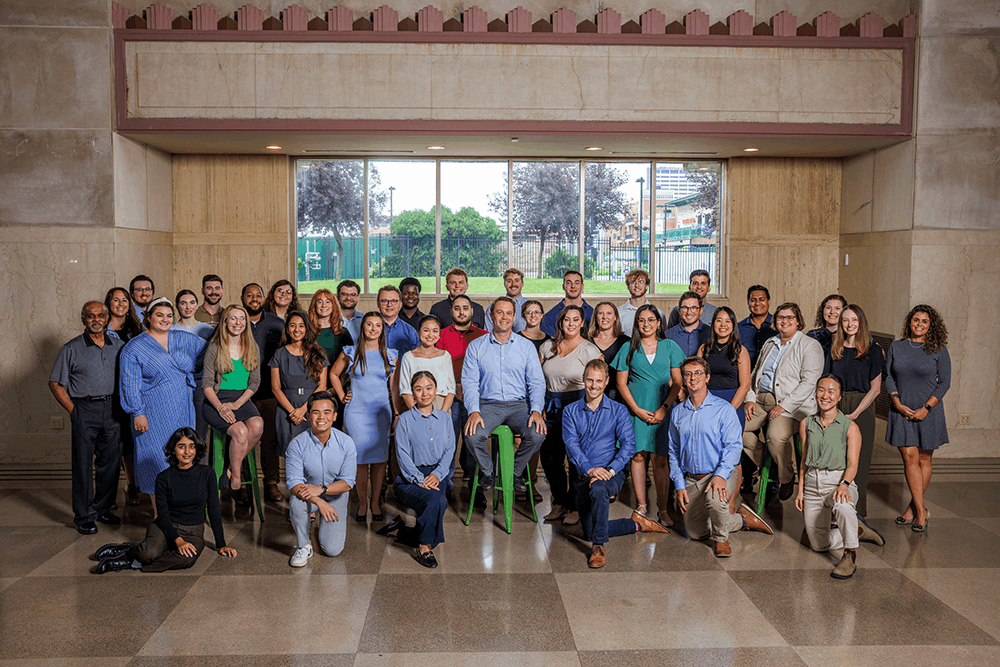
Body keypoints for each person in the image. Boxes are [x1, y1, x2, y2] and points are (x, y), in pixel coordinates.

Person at [563, 359, 668, 568]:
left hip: (612, 474)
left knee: (600, 490)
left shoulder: (618, 411)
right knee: (589, 530)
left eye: (599, 381)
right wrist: (591, 469)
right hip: (584, 475)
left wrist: (610, 471)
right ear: (583, 380)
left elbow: (629, 445)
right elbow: (571, 446)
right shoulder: (570, 412)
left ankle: (598, 547)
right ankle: (635, 524)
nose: (594, 385)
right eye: (590, 380)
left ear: (607, 381)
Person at [669, 356, 773, 558]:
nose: (693, 378)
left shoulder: (723, 409)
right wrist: (679, 484)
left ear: (707, 377)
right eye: (688, 374)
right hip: (692, 478)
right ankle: (741, 520)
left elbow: (734, 447)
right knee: (695, 532)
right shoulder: (677, 412)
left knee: (715, 499)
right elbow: (673, 450)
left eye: (698, 373)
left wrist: (720, 476)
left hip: (720, 472)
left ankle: (721, 538)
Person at [93, 428, 237, 573]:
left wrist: (221, 544)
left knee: (187, 559)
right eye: (181, 446)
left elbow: (213, 509)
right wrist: (178, 540)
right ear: (173, 450)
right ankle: (130, 551)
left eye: (191, 446)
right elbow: (162, 514)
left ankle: (131, 562)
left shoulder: (207, 473)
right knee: (149, 553)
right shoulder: (163, 478)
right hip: (165, 525)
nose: (187, 452)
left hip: (193, 532)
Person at [119, 298, 207, 511]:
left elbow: (213, 353)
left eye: (169, 316)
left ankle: (181, 512)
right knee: (156, 458)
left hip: (183, 410)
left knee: (183, 457)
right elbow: (129, 383)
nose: (165, 320)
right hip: (152, 413)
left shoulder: (185, 339)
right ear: (148, 318)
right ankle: (161, 516)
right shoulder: (134, 348)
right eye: (159, 315)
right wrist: (137, 412)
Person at [796, 376, 886, 580]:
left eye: (831, 391)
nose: (825, 395)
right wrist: (800, 489)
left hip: (838, 481)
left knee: (843, 505)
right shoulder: (806, 423)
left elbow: (853, 463)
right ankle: (858, 530)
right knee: (818, 546)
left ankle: (850, 553)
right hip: (812, 483)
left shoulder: (850, 426)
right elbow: (803, 460)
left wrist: (844, 485)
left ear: (839, 397)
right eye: (821, 390)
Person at [49, 301, 125, 534]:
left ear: (107, 317)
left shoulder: (120, 346)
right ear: (83, 319)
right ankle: (84, 516)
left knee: (110, 464)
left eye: (100, 315)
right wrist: (74, 410)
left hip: (113, 410)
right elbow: (55, 383)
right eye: (90, 316)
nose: (96, 320)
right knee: (82, 465)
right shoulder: (71, 348)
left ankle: (102, 509)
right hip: (84, 409)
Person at [462, 297, 547, 493]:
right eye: (499, 312)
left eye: (509, 313)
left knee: (538, 433)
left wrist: (535, 410)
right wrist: (474, 411)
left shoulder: (525, 346)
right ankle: (489, 472)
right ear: (491, 316)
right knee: (472, 435)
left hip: (519, 405)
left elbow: (536, 382)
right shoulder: (476, 346)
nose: (504, 317)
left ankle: (514, 472)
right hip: (488, 405)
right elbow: (470, 382)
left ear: (514, 316)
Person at [611, 304, 684, 527]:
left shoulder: (670, 346)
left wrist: (664, 408)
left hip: (662, 408)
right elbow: (621, 383)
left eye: (651, 320)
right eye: (641, 320)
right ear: (636, 324)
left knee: (660, 459)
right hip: (636, 408)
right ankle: (642, 505)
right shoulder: (628, 348)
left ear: (659, 323)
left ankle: (662, 509)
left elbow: (678, 382)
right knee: (638, 456)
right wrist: (635, 409)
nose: (646, 324)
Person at [743, 302, 824, 501]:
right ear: (775, 321)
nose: (784, 321)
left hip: (792, 405)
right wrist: (750, 399)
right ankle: (768, 465)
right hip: (761, 401)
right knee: (732, 428)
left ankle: (786, 477)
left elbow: (809, 382)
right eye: (781, 318)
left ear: (798, 321)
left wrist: (784, 406)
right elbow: (755, 374)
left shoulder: (809, 345)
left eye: (790, 318)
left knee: (775, 436)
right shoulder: (770, 343)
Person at [376, 371, 455, 568]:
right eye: (418, 389)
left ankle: (400, 531)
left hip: (438, 475)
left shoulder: (445, 419)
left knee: (434, 505)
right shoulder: (404, 420)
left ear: (436, 391)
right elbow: (402, 456)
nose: (425, 393)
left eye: (429, 388)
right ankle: (424, 548)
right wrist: (420, 480)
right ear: (412, 393)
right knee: (437, 501)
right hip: (410, 478)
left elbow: (449, 451)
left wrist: (436, 475)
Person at [886, 305, 950, 532]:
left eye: (924, 321)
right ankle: (922, 511)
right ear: (909, 322)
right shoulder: (897, 346)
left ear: (931, 325)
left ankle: (914, 509)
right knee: (908, 457)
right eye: (916, 320)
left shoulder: (938, 349)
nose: (919, 325)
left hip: (928, 411)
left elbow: (945, 382)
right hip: (901, 409)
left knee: (924, 459)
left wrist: (926, 408)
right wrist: (895, 400)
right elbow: (889, 376)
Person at [329, 312, 399, 523]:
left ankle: (375, 501)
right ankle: (361, 502)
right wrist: (342, 395)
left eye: (378, 325)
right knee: (359, 461)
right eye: (369, 324)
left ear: (382, 329)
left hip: (381, 413)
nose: (373, 328)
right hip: (356, 412)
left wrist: (396, 413)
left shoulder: (391, 354)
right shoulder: (351, 352)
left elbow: (394, 388)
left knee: (379, 461)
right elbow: (333, 374)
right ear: (363, 327)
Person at [539, 305, 602, 525]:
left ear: (582, 323)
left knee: (576, 458)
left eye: (576, 319)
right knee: (550, 457)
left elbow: (601, 380)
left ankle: (576, 506)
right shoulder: (548, 346)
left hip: (578, 405)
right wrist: (540, 405)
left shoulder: (589, 350)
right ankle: (560, 502)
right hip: (551, 405)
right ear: (560, 322)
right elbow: (538, 379)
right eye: (567, 319)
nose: (571, 324)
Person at [824, 304, 885, 518]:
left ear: (861, 323)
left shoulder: (873, 349)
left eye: (854, 320)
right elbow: (828, 381)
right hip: (836, 405)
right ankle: (837, 508)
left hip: (862, 407)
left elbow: (876, 389)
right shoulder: (836, 347)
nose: (850, 324)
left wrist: (855, 413)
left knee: (859, 459)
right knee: (837, 458)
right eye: (845, 320)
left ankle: (857, 512)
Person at [202, 304, 264, 504]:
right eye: (233, 318)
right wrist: (220, 407)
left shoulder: (252, 347)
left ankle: (229, 468)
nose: (238, 323)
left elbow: (254, 383)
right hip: (216, 400)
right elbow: (207, 385)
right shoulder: (215, 347)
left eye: (242, 319)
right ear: (225, 321)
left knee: (257, 425)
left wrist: (237, 404)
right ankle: (236, 476)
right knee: (240, 432)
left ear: (246, 323)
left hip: (242, 399)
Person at [285, 392, 357, 566]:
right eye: (316, 412)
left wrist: (322, 490)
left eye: (326, 412)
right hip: (308, 494)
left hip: (336, 494)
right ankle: (304, 545)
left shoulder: (347, 443)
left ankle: (321, 523)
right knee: (296, 502)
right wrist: (320, 502)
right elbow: (294, 483)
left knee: (332, 550)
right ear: (308, 416)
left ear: (334, 416)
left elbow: (347, 483)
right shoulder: (297, 444)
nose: (321, 417)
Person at [436, 295, 488, 502]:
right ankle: (445, 484)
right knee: (448, 441)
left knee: (474, 443)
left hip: (475, 397)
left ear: (472, 311)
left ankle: (477, 487)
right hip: (449, 396)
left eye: (465, 308)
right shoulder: (440, 335)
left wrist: (469, 388)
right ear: (451, 312)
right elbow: (437, 365)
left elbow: (488, 368)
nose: (461, 312)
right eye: (457, 308)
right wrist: (454, 386)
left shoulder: (483, 335)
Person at [243, 283, 286, 502]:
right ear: (243, 298)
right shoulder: (235, 320)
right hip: (242, 394)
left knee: (270, 440)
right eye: (249, 295)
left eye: (257, 295)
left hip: (270, 392)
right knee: (241, 439)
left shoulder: (277, 323)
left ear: (263, 298)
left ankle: (271, 484)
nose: (253, 298)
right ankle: (241, 485)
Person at [270, 311, 330, 464]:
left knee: (313, 454)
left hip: (312, 408)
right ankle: (295, 488)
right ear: (287, 329)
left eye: (301, 326)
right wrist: (292, 412)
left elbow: (322, 386)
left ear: (307, 328)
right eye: (292, 325)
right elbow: (275, 388)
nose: (297, 330)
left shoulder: (318, 353)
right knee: (292, 455)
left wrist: (304, 409)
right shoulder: (279, 354)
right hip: (287, 409)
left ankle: (312, 488)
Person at [103, 286, 143, 504]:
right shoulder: (101, 329)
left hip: (131, 391)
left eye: (124, 300)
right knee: (112, 444)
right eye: (115, 300)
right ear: (109, 303)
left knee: (129, 442)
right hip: (109, 392)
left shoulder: (136, 329)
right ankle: (107, 495)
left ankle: (132, 484)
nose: (120, 304)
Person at [698, 307, 751, 429]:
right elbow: (698, 379)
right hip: (707, 401)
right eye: (719, 320)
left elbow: (745, 386)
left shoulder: (741, 351)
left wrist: (728, 411)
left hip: (732, 402)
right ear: (713, 324)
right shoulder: (703, 349)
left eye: (728, 321)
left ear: (733, 325)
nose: (723, 324)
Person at [175, 289, 215, 442]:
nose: (188, 307)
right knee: (179, 428)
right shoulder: (171, 330)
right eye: (183, 303)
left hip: (200, 384)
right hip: (178, 384)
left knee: (200, 429)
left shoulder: (206, 330)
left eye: (192, 302)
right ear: (177, 306)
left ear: (197, 305)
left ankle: (199, 464)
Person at [400, 316, 455, 413]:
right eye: (426, 330)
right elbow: (405, 391)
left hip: (441, 405)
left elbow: (451, 390)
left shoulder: (445, 356)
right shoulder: (408, 357)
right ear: (418, 332)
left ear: (439, 334)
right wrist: (417, 414)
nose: (430, 335)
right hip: (416, 405)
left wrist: (442, 414)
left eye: (435, 331)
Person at [589, 301, 630, 403]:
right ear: (595, 317)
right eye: (601, 313)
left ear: (615, 317)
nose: (604, 317)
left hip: (618, 395)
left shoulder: (626, 342)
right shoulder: (586, 341)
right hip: (592, 393)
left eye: (609, 313)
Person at [541, 270, 593, 337]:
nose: (573, 286)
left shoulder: (593, 314)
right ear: (563, 286)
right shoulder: (550, 316)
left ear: (582, 286)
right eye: (568, 283)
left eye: (577, 283)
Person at [309, 288, 354, 364]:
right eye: (320, 302)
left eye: (328, 302)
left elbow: (350, 360)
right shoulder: (308, 331)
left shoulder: (343, 333)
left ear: (333, 305)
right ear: (314, 305)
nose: (324, 305)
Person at [617, 269, 665, 337]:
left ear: (647, 286)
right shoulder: (618, 313)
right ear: (628, 286)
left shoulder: (659, 313)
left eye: (641, 282)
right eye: (633, 282)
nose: (637, 285)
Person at [738, 285, 776, 365]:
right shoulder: (738, 328)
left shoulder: (779, 326)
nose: (757, 303)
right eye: (753, 300)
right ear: (748, 303)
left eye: (762, 300)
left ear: (769, 302)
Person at [664, 291, 710, 357]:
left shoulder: (710, 334)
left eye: (693, 308)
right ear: (679, 311)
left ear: (701, 310)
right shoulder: (668, 336)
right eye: (685, 308)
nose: (689, 312)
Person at [377, 284, 419, 356]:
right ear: (378, 303)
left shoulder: (410, 332)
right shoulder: (368, 330)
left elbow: (417, 359)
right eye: (384, 301)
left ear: (399, 303)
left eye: (394, 301)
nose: (389, 305)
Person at [486, 268, 528, 334]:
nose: (513, 284)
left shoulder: (530, 306)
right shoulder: (493, 306)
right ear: (504, 284)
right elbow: (487, 333)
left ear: (522, 284)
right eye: (509, 281)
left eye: (517, 280)